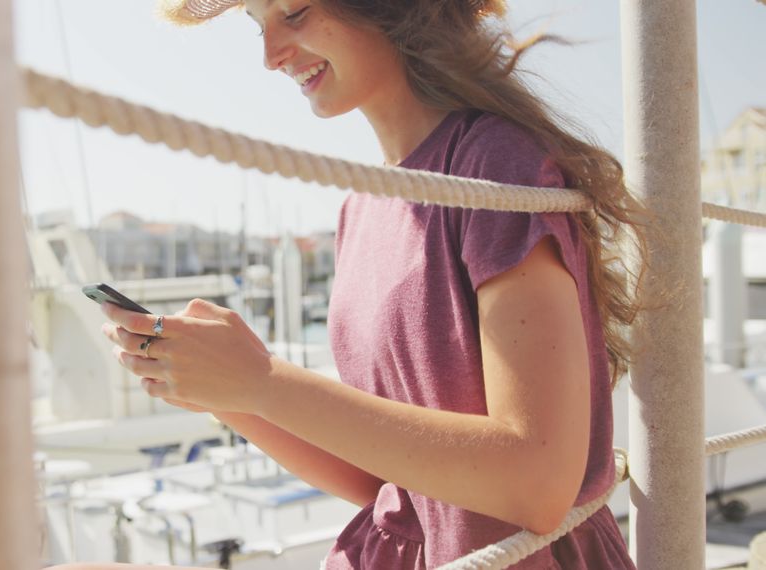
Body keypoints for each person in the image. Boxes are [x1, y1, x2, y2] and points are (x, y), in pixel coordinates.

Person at [55, 0, 645, 567]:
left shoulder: (495, 165)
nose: (270, 55)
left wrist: (261, 382)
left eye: (295, 13)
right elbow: (381, 481)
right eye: (258, 25)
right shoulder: (365, 203)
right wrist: (229, 398)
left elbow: (535, 483)